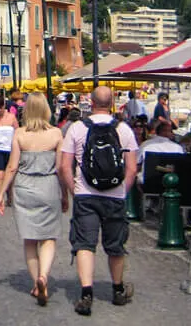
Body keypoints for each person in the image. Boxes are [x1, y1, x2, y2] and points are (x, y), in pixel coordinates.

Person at [59, 86, 138, 316]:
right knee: (115, 245)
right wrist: (123, 191)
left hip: (85, 194)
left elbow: (65, 166)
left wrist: (75, 191)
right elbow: (132, 169)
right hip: (115, 195)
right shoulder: (123, 129)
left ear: (91, 103)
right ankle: (117, 289)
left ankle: (86, 293)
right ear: (112, 103)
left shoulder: (77, 128)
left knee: (85, 243)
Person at [0, 93, 67, 306]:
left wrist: (1, 194)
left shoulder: (19, 134)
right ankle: (44, 275)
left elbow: (12, 166)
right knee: (48, 238)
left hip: (25, 188)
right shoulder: (56, 134)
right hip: (48, 187)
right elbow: (62, 170)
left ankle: (36, 282)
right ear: (46, 109)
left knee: (30, 239)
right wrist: (65, 195)